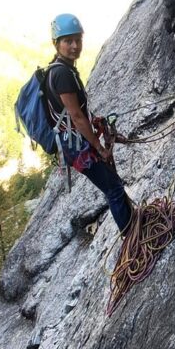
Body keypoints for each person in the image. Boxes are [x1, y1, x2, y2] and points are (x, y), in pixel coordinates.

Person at [46, 13, 133, 234]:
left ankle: (132, 227)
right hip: (79, 146)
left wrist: (93, 122)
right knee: (113, 188)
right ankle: (131, 238)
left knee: (113, 184)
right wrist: (100, 147)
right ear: (56, 43)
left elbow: (74, 112)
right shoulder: (62, 74)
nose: (75, 46)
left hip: (75, 143)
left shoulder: (60, 68)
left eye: (78, 40)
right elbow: (76, 117)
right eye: (68, 41)